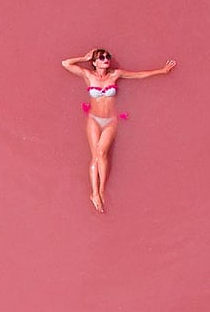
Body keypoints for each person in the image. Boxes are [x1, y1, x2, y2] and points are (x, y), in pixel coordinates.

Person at [60, 48, 176, 212]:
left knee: (102, 153)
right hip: (93, 119)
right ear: (94, 62)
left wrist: (162, 71)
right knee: (95, 155)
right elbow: (65, 63)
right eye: (101, 57)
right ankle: (94, 193)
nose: (106, 59)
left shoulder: (115, 75)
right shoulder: (88, 75)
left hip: (110, 120)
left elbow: (139, 75)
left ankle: (101, 190)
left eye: (108, 56)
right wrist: (84, 57)